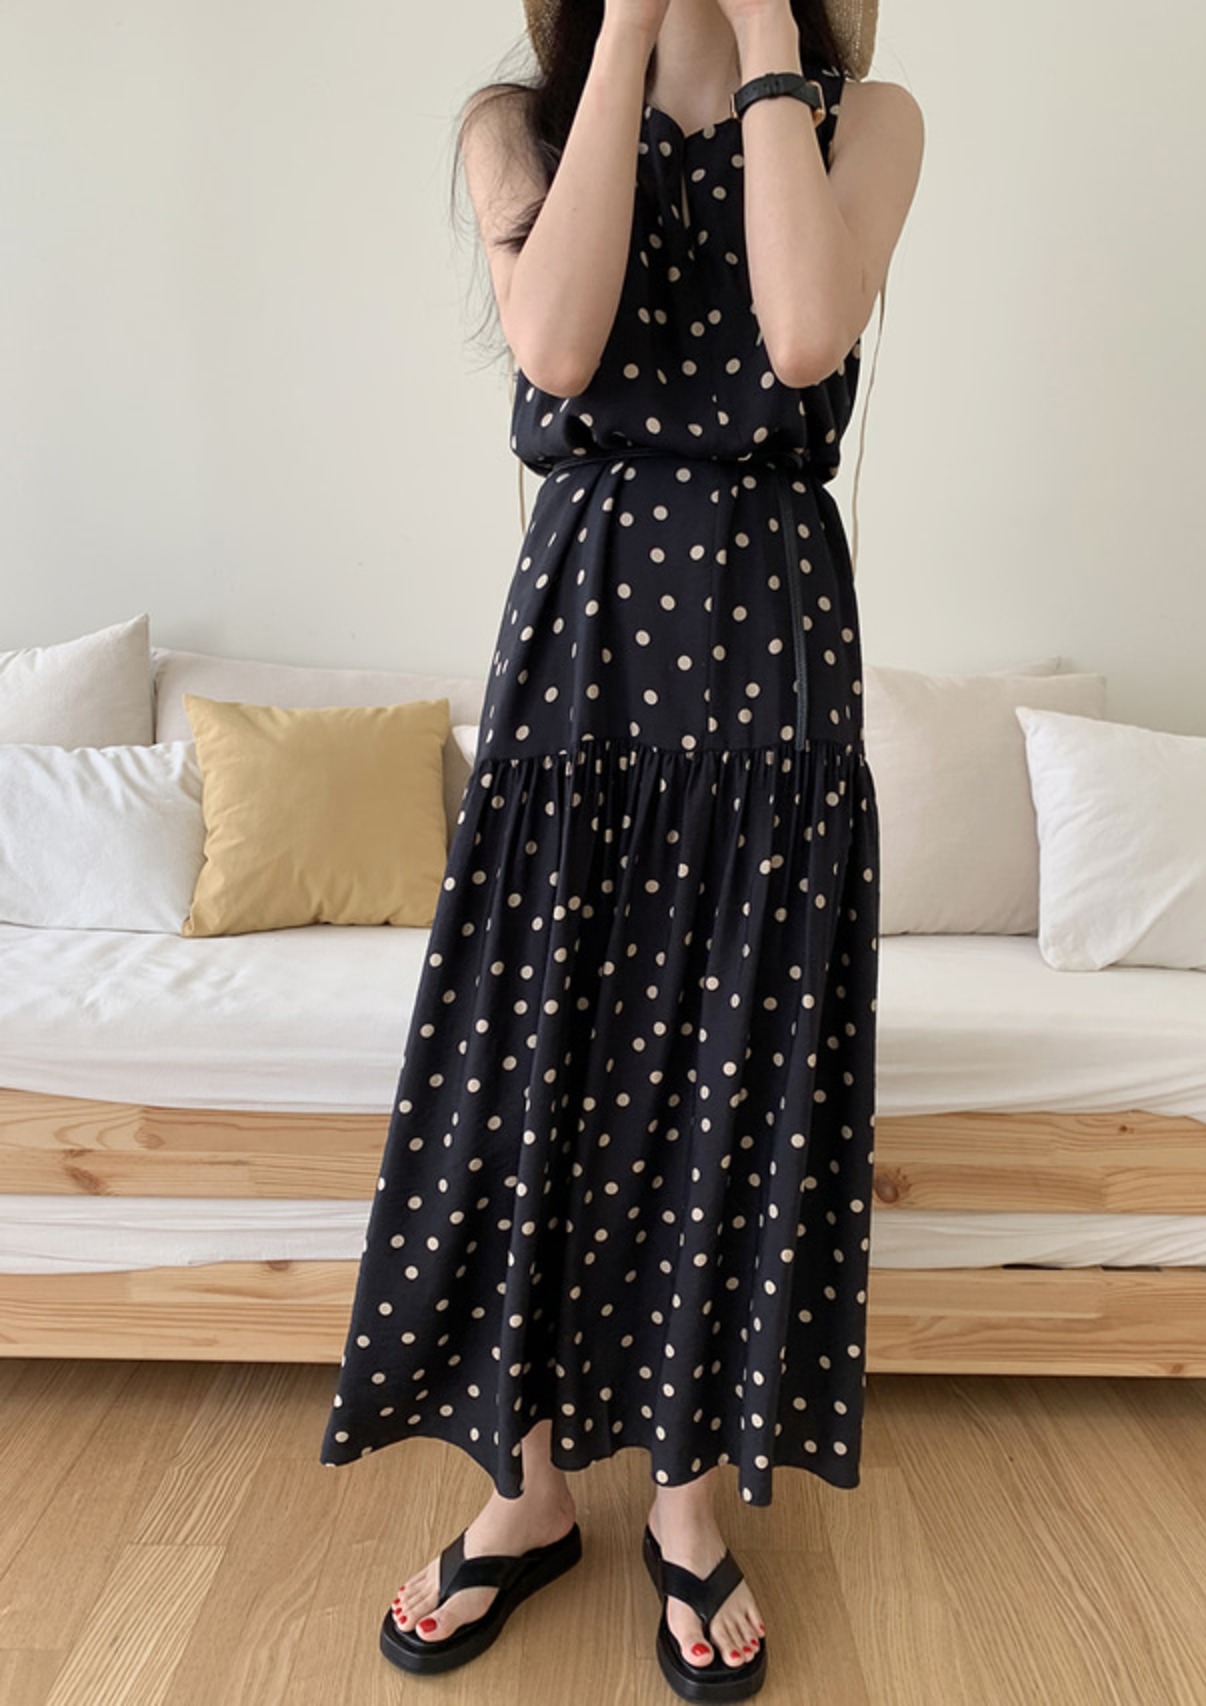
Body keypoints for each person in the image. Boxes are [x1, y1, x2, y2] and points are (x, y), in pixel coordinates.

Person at [319, 0, 923, 1697]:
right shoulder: (512, 125)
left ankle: (684, 1501)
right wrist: (634, 32)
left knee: (730, 1062)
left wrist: (761, 34)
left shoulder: (869, 121)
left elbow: (801, 335)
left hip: (771, 652)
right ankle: (523, 1495)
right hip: (582, 645)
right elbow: (561, 347)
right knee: (539, 1061)